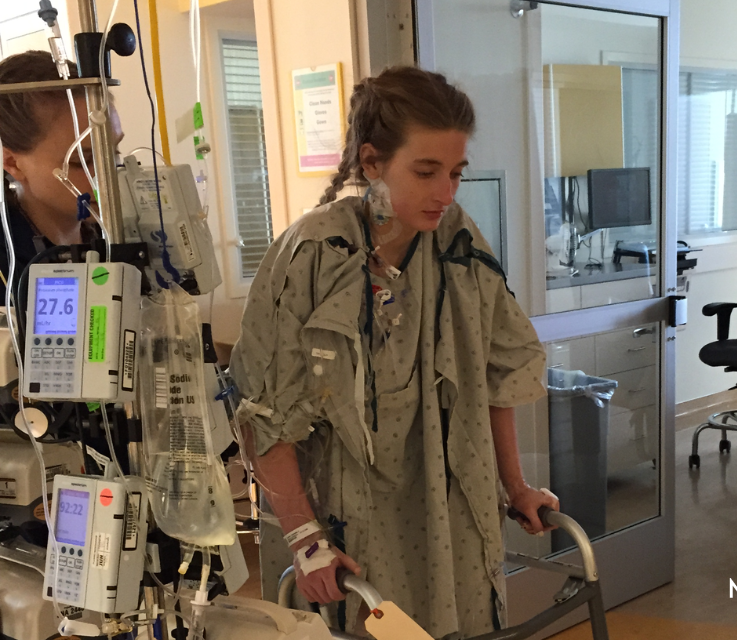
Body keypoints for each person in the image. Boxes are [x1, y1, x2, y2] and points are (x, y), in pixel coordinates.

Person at [230, 66, 557, 638]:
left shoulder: (456, 243)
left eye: (456, 173)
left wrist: (516, 485)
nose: (445, 193)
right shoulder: (314, 254)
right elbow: (264, 412)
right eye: (426, 171)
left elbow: (492, 368)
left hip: (447, 494)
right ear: (372, 162)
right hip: (344, 510)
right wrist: (305, 540)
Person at [0, 50, 124, 299]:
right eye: (84, 160)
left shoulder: (120, 235)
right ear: (13, 162)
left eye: (114, 151)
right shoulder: (9, 266)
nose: (109, 176)